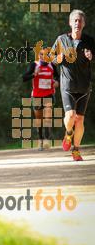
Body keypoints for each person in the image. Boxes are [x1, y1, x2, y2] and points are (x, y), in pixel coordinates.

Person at [52, 9, 95, 161]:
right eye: (75, 20)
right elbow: (51, 57)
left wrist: (92, 57)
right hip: (67, 85)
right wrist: (57, 58)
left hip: (84, 86)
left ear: (84, 23)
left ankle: (76, 150)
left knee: (80, 120)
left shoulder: (89, 41)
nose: (77, 23)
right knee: (70, 116)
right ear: (70, 23)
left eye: (80, 21)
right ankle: (68, 133)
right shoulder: (61, 39)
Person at [23, 45, 59, 150]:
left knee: (48, 116)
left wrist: (57, 82)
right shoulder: (34, 65)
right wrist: (34, 74)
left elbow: (57, 76)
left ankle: (47, 139)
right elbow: (24, 78)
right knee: (39, 120)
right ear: (38, 55)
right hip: (37, 95)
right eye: (41, 54)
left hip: (49, 94)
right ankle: (40, 141)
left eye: (46, 54)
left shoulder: (52, 65)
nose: (43, 56)